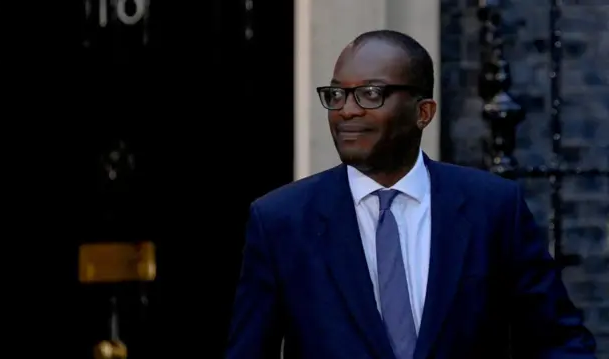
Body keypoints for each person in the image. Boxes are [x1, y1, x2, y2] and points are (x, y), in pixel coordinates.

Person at [225, 30, 596, 359]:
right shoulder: (281, 221)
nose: (346, 111)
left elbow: (558, 342)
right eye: (337, 94)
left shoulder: (493, 208)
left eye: (371, 93)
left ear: (424, 112)